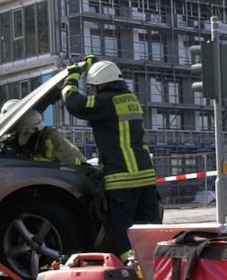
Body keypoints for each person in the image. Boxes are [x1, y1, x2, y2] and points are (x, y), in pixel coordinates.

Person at [62, 55, 161, 263]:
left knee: (120, 230)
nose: (93, 91)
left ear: (98, 85)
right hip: (145, 176)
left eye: (93, 86)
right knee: (150, 228)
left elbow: (74, 103)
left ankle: (133, 268)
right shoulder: (130, 98)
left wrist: (72, 78)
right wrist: (90, 71)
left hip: (121, 178)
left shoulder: (105, 102)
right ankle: (157, 268)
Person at [11, 109, 87, 165]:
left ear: (33, 128)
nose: (25, 133)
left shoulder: (50, 136)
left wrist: (29, 159)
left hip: (75, 167)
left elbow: (51, 161)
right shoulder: (32, 135)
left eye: (25, 131)